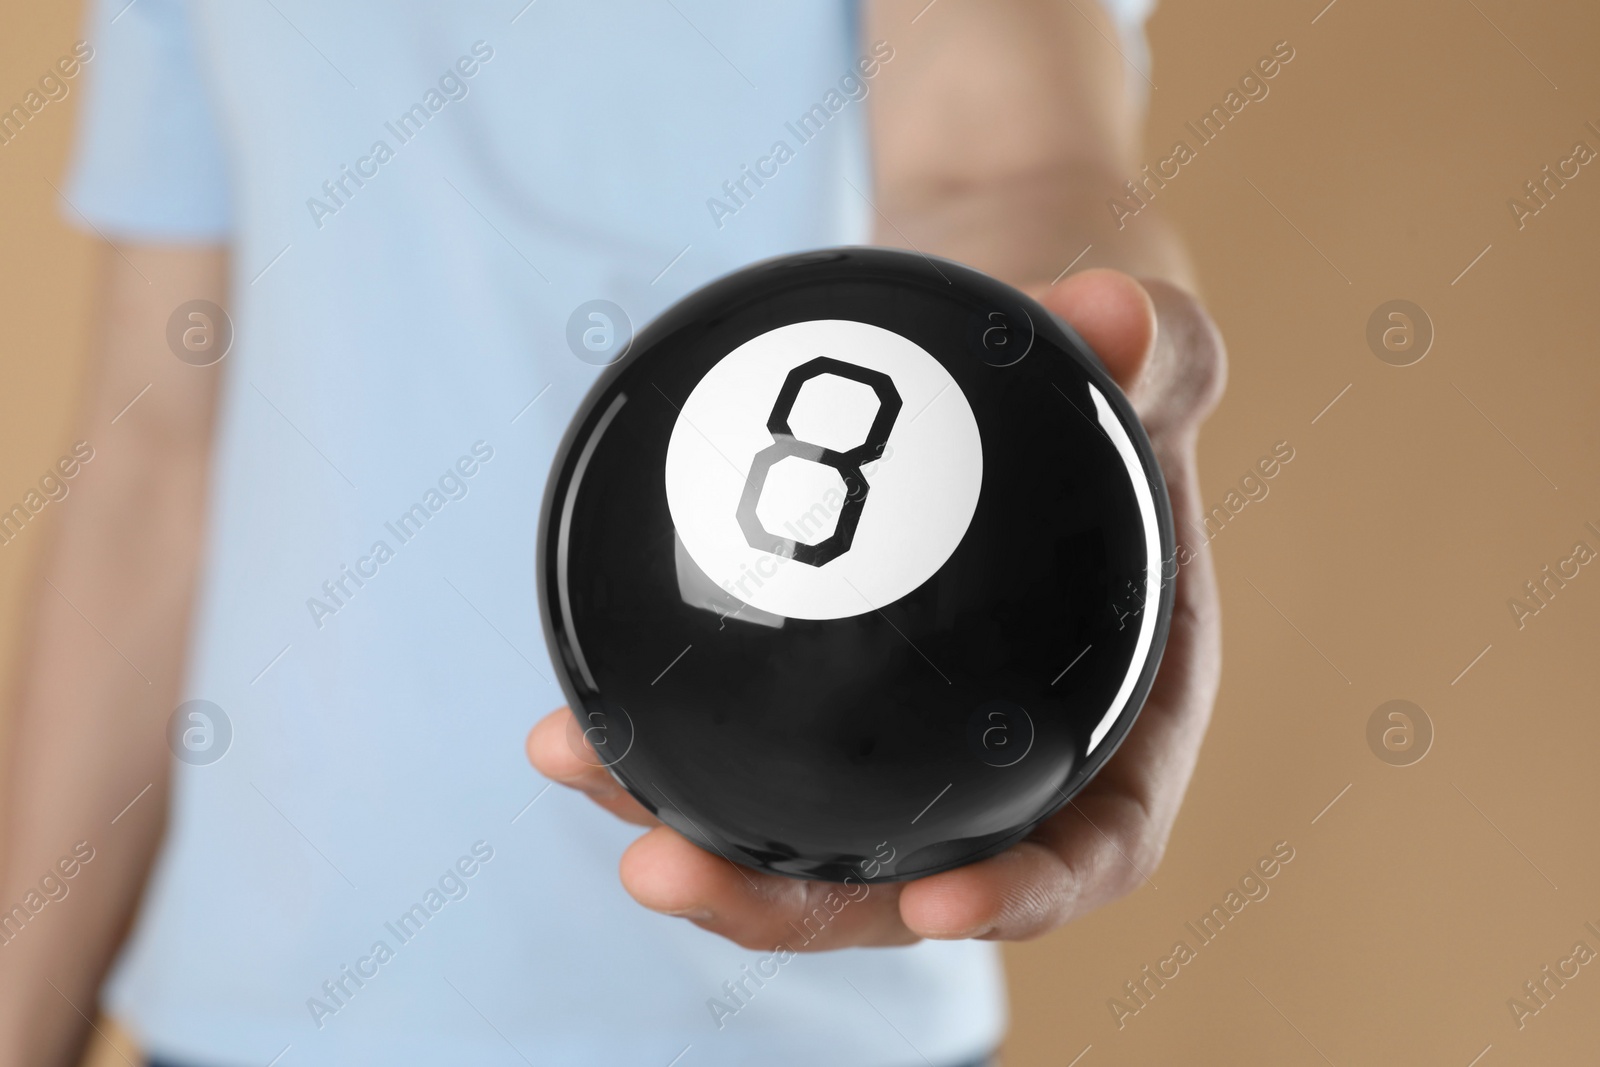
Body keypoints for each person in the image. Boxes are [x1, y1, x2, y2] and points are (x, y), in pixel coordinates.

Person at [0, 0, 1224, 1064]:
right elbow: (158, 460)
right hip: (256, 1009)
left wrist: (1062, 381)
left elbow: (998, 167)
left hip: (804, 1005)